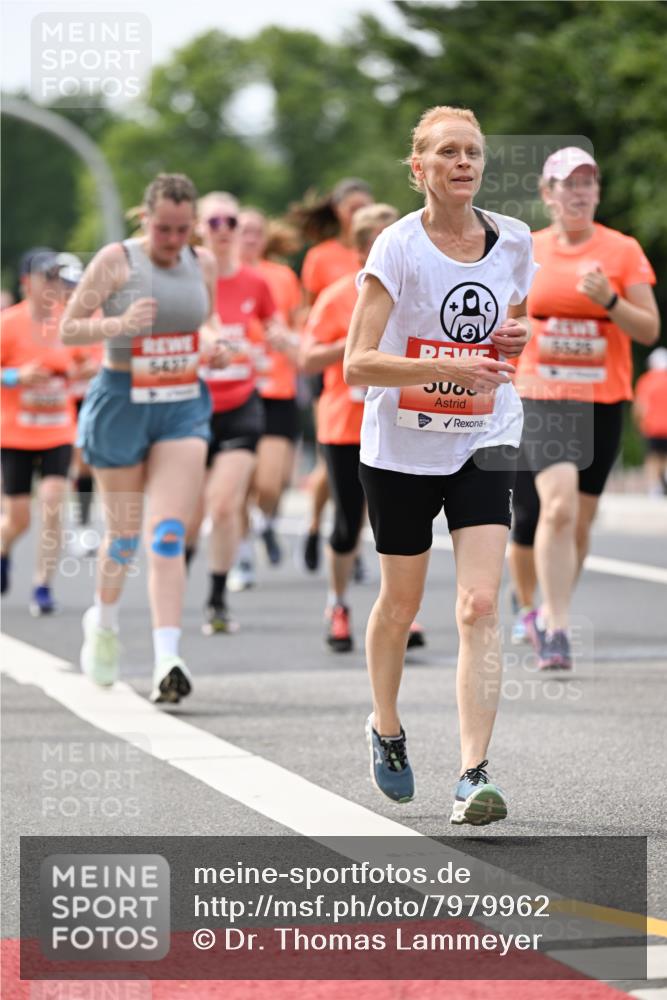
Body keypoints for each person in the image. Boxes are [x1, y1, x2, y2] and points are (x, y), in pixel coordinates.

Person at [344, 106, 535, 824]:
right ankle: (386, 726)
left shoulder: (513, 239)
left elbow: (513, 324)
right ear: (418, 166)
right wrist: (449, 364)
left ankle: (472, 774)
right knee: (401, 605)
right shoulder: (396, 247)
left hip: (484, 434)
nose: (463, 163)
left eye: (473, 152)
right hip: (400, 447)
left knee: (479, 603)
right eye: (448, 152)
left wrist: (514, 337)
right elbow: (357, 363)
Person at [61, 173, 227, 703]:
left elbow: (208, 319)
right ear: (145, 218)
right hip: (122, 403)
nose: (173, 241)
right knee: (124, 536)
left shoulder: (202, 262)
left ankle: (167, 658)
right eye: (163, 230)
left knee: (169, 533)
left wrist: (216, 341)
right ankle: (104, 624)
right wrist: (119, 324)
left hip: (181, 403)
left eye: (182, 230)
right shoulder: (117, 261)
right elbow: (68, 327)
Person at [509, 147, 659, 665]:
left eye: (587, 183)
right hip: (542, 394)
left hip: (601, 399)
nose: (579, 193)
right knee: (555, 507)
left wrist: (609, 302)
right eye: (568, 184)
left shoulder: (622, 251)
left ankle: (542, 608)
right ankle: (552, 623)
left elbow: (649, 329)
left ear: (597, 192)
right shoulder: (526, 249)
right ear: (547, 194)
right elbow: (507, 318)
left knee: (578, 523)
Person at [187, 191, 277, 630]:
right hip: (190, 408)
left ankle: (217, 600)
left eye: (231, 222)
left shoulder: (255, 282)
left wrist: (288, 345)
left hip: (241, 404)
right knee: (189, 516)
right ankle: (173, 584)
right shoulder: (184, 279)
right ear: (198, 229)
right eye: (214, 222)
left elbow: (276, 328)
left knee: (223, 505)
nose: (223, 230)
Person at [291, 179, 374, 572]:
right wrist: (339, 337)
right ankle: (317, 525)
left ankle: (352, 541)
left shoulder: (387, 246)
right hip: (333, 361)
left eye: (365, 206)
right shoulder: (322, 257)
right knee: (334, 458)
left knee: (368, 466)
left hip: (375, 372)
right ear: (339, 211)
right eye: (352, 207)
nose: (359, 213)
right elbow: (307, 311)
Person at [1, 248, 82, 612]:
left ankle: (42, 585)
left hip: (58, 430)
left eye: (56, 277)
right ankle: (4, 550)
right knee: (18, 517)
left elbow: (90, 359)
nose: (52, 284)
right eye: (45, 277)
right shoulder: (8, 324)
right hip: (15, 433)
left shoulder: (69, 322)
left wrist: (82, 370)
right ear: (26, 283)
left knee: (52, 502)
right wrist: (16, 376)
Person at [238, 208, 303, 566]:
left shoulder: (282, 277)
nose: (250, 238)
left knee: (270, 482)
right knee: (239, 480)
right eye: (243, 230)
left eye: (256, 232)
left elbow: (297, 326)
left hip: (277, 388)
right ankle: (242, 552)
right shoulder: (220, 274)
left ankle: (266, 521)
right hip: (236, 390)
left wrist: (289, 340)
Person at [633, 346, 667, 495]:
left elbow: (640, 406)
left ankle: (655, 488)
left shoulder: (646, 380)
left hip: (652, 427)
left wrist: (638, 424)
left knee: (653, 457)